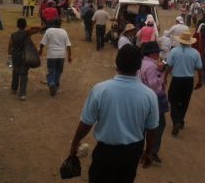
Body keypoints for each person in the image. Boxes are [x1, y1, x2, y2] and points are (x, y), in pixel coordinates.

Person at [68, 45, 159, 183]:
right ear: (139, 66)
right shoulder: (149, 95)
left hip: (105, 152)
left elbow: (86, 122)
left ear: (116, 63)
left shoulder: (101, 89)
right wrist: (148, 152)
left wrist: (75, 143)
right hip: (132, 152)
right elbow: (152, 129)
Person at [164, 31, 203, 136]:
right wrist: (200, 81)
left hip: (176, 80)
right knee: (185, 101)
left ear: (180, 41)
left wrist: (165, 77)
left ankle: (176, 120)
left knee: (173, 100)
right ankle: (180, 120)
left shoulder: (174, 51)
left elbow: (169, 66)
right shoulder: (195, 53)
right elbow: (199, 68)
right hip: (188, 80)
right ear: (190, 41)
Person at [140, 42, 169, 164]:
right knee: (158, 124)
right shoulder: (152, 66)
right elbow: (154, 86)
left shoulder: (142, 63)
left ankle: (140, 150)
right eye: (157, 52)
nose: (158, 54)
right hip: (154, 99)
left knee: (142, 125)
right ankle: (151, 151)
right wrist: (161, 73)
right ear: (151, 53)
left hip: (143, 97)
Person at [8, 18, 43, 101]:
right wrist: (30, 27)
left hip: (15, 55)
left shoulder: (13, 34)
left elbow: (10, 47)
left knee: (15, 71)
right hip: (25, 56)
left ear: (17, 25)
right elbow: (40, 28)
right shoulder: (27, 33)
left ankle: (14, 88)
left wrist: (10, 55)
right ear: (25, 25)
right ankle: (22, 94)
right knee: (23, 74)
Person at [39, 19, 72, 96]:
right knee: (58, 71)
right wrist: (69, 56)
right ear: (60, 24)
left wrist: (40, 50)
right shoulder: (64, 32)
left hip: (51, 55)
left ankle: (51, 82)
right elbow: (68, 45)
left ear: (53, 23)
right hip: (61, 55)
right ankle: (56, 84)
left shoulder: (49, 31)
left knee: (51, 70)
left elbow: (42, 43)